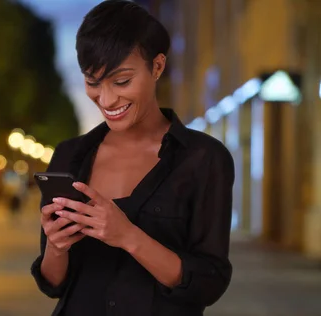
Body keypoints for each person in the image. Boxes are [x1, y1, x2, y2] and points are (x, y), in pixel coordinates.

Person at [30, 1, 234, 315]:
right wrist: (57, 246)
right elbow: (53, 284)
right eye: (93, 82)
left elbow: (209, 283)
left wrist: (128, 236)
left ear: (157, 67)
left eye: (122, 81)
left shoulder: (204, 158)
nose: (107, 99)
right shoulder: (70, 156)